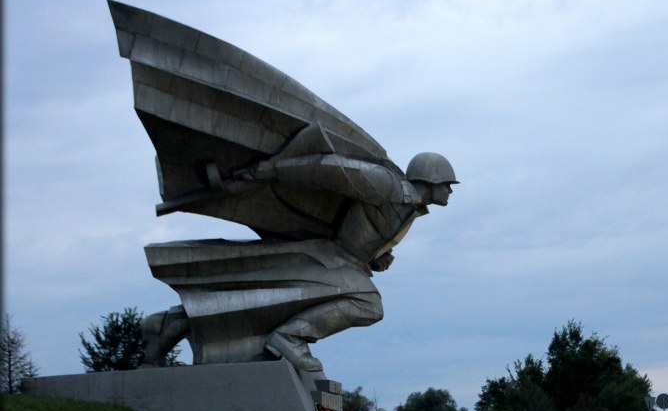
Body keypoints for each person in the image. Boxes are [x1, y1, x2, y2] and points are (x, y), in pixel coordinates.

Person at [143, 150, 457, 371]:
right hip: (330, 259)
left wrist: (378, 256)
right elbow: (327, 168)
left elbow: (364, 230)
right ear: (431, 178)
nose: (450, 192)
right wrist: (269, 170)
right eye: (448, 185)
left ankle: (168, 324)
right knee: (368, 305)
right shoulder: (387, 185)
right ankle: (290, 338)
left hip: (347, 264)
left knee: (265, 303)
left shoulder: (410, 208)